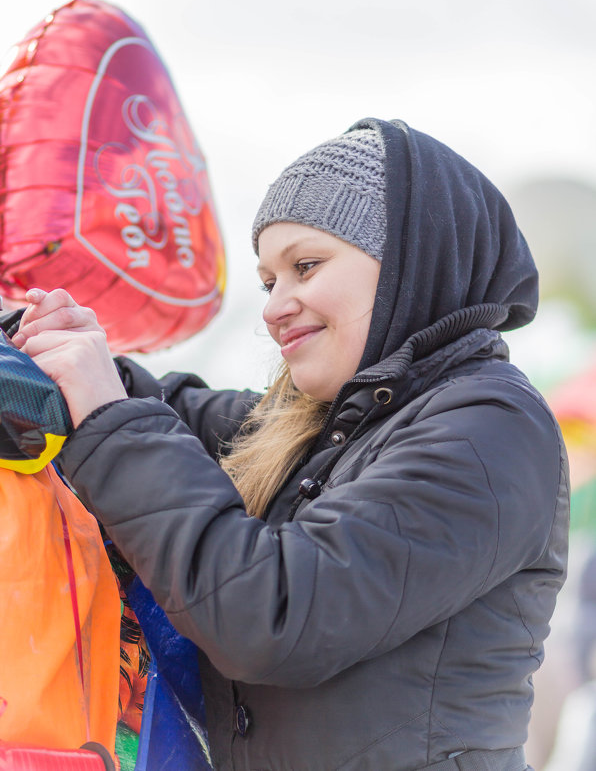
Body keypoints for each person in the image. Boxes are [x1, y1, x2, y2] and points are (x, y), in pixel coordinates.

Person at [10, 118, 569, 771]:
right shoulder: (324, 423)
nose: (275, 305)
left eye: (305, 266)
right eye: (269, 281)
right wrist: (47, 348)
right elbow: (183, 415)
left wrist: (103, 409)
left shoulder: (490, 429)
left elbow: (274, 614)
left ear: (409, 263)